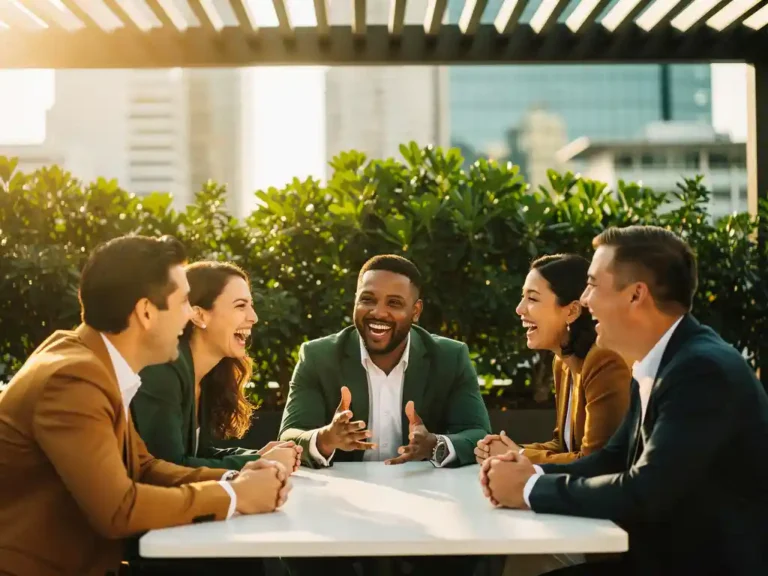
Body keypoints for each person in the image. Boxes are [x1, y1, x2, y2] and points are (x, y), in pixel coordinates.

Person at [480, 225, 768, 576]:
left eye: (593, 285)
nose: (584, 300)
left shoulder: (701, 371)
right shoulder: (657, 360)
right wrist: (532, 471)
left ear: (636, 295)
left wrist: (530, 489)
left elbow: (644, 490)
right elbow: (613, 459)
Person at [0, 235, 291, 576]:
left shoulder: (90, 361)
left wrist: (236, 476)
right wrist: (234, 496)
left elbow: (145, 466)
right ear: (146, 312)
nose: (189, 315)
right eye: (184, 302)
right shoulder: (73, 378)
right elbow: (118, 510)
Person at [279, 254, 491, 576]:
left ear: (415, 311)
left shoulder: (451, 357)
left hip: (430, 510)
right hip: (336, 511)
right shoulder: (318, 356)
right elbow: (290, 435)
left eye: (394, 303)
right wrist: (327, 438)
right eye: (368, 299)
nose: (378, 313)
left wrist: (434, 444)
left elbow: (477, 434)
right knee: (301, 556)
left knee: (464, 555)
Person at [132, 261, 301, 473]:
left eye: (251, 305)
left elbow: (196, 455)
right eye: (240, 305)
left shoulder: (203, 376)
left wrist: (260, 456)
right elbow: (169, 467)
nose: (254, 317)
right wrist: (253, 464)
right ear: (199, 315)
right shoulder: (161, 370)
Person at [475, 254, 630, 466]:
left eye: (532, 298)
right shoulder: (562, 362)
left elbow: (597, 461)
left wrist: (519, 456)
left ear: (572, 311)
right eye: (523, 297)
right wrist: (509, 451)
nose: (519, 309)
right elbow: (562, 445)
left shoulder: (604, 361)